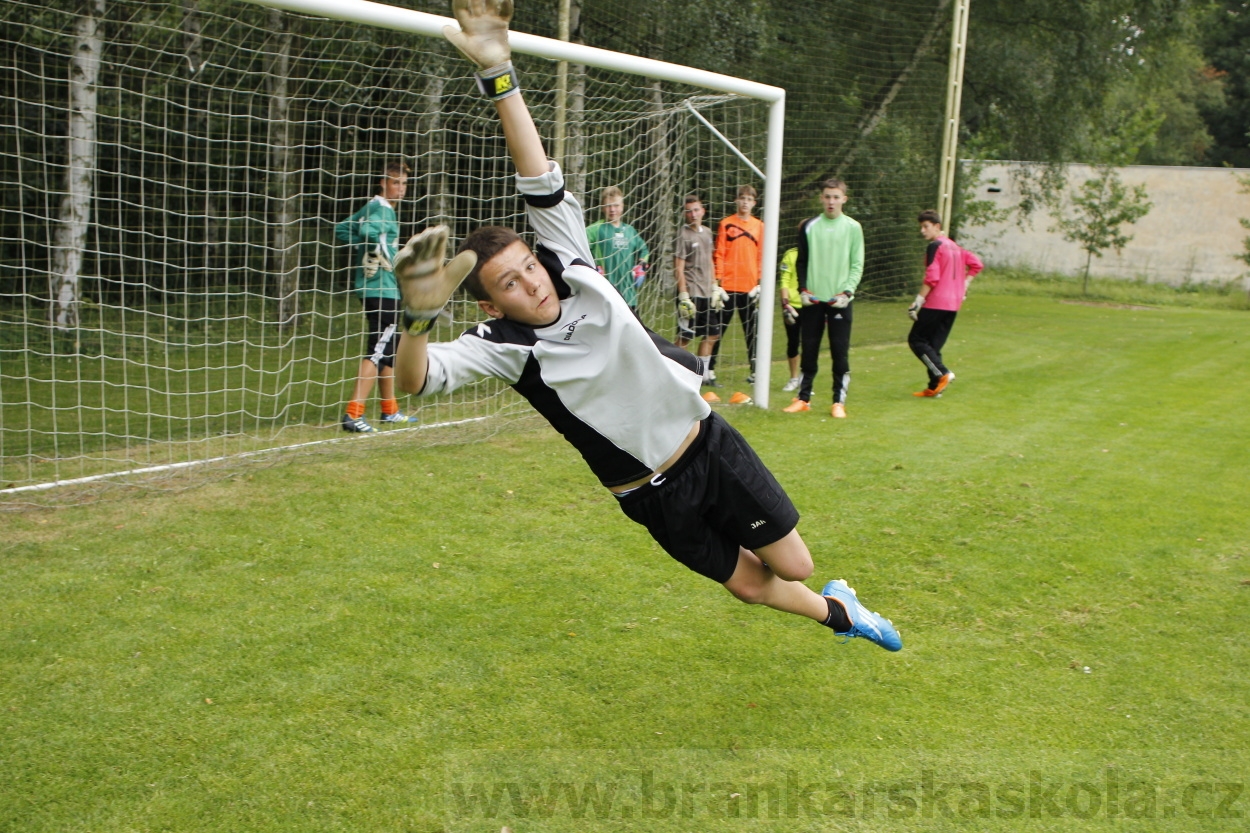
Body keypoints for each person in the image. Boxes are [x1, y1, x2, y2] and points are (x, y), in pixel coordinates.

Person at [391, 0, 901, 653]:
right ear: (491, 306)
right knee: (747, 585)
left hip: (707, 447)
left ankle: (832, 593)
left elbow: (536, 171)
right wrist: (415, 319)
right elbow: (415, 379)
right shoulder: (502, 347)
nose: (532, 283)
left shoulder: (570, 259)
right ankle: (843, 616)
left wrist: (498, 70)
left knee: (792, 565)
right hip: (647, 494)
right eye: (510, 284)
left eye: (528, 267)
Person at [334, 160, 417, 433]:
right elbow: (373, 234)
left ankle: (389, 410)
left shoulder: (373, 207)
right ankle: (353, 414)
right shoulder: (382, 208)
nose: (401, 188)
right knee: (379, 348)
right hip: (381, 288)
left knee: (388, 349)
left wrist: (369, 250)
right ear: (383, 182)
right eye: (395, 182)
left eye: (404, 183)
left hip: (378, 288)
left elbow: (343, 229)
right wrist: (390, 260)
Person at [784, 178, 864, 418]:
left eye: (836, 197)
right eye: (827, 196)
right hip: (813, 301)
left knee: (839, 351)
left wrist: (848, 292)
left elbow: (857, 264)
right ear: (821, 198)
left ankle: (838, 401)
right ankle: (803, 397)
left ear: (844, 199)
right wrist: (804, 290)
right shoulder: (809, 226)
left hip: (840, 301)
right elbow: (802, 261)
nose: (831, 201)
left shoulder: (853, 227)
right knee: (809, 349)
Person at [907, 210, 983, 397]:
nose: (923, 231)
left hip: (936, 302)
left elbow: (932, 277)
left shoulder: (936, 246)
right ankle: (935, 388)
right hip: (953, 305)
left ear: (937, 227)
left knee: (916, 340)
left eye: (926, 227)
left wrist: (918, 301)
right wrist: (964, 284)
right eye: (921, 227)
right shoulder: (956, 247)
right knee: (932, 345)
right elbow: (976, 264)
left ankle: (942, 373)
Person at [708, 185, 765, 386]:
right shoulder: (726, 224)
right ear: (736, 200)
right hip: (728, 287)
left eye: (749, 199)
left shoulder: (760, 226)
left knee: (752, 331)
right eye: (742, 198)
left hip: (749, 288)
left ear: (754, 203)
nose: (745, 202)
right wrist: (718, 282)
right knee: (717, 330)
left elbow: (761, 256)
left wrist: (760, 283)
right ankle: (709, 369)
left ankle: (756, 372)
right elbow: (719, 253)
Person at [673, 194, 726, 403]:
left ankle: (702, 374)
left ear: (702, 210)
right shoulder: (683, 235)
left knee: (713, 334)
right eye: (689, 211)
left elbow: (711, 262)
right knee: (685, 336)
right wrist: (684, 295)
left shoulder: (707, 233)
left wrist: (715, 286)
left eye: (696, 210)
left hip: (707, 293)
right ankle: (675, 372)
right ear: (685, 214)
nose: (693, 214)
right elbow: (678, 266)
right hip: (691, 294)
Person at [585, 186, 650, 314]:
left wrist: (641, 267)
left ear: (622, 206)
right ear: (603, 208)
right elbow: (578, 246)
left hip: (629, 296)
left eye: (616, 205)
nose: (612, 209)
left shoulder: (630, 231)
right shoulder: (595, 229)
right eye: (608, 206)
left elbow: (644, 250)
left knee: (633, 333)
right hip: (605, 295)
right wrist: (592, 267)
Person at [776, 236, 802, 392]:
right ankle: (794, 378)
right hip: (793, 306)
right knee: (793, 342)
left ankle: (805, 380)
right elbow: (784, 280)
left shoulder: (818, 255)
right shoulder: (790, 254)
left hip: (812, 305)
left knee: (810, 344)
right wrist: (785, 304)